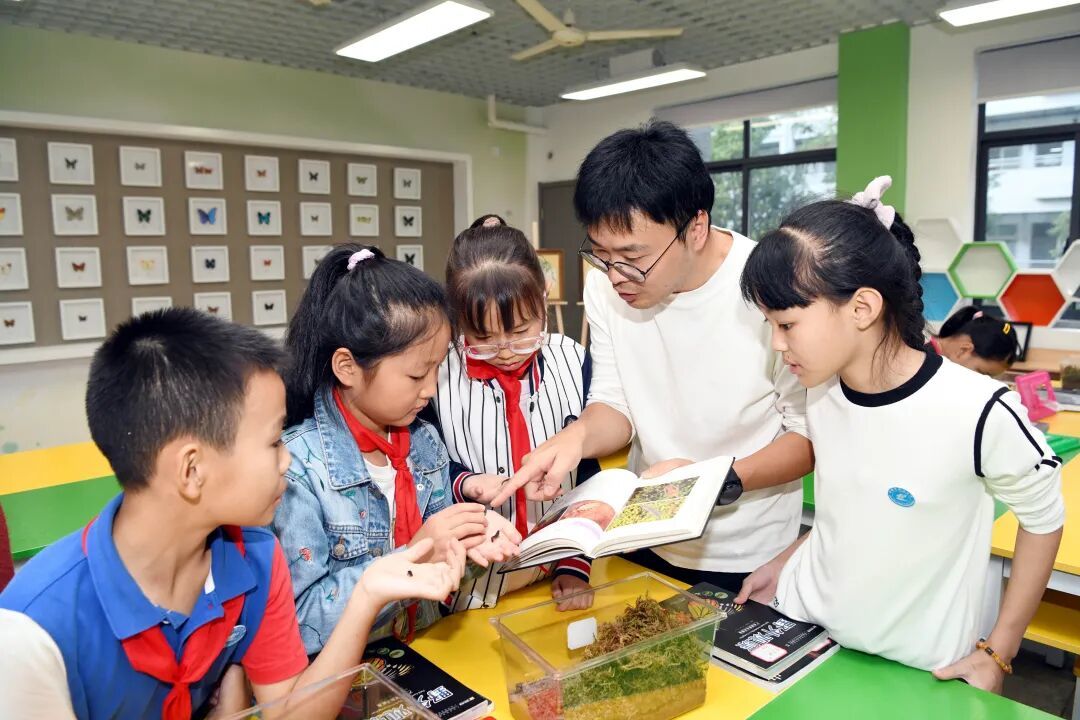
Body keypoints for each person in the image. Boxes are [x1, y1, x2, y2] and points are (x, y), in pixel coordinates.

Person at [0, 308, 466, 719]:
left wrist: (366, 594)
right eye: (272, 441)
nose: (287, 459)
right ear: (192, 469)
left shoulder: (255, 559)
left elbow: (288, 713)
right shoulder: (33, 629)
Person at [735, 177, 1064, 693]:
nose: (777, 345)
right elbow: (852, 509)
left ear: (863, 308)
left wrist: (999, 651)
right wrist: (785, 561)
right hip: (808, 642)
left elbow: (1044, 520)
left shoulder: (979, 410)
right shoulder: (820, 392)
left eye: (788, 324)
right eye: (769, 325)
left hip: (917, 668)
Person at [493, 120, 814, 592]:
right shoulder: (607, 285)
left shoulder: (767, 286)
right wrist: (576, 438)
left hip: (749, 549)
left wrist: (710, 482)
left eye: (632, 256)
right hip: (643, 535)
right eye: (601, 254)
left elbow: (806, 438)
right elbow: (616, 404)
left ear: (696, 227)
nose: (616, 273)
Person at [273, 245, 520, 654]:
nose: (431, 388)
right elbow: (299, 622)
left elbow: (442, 563)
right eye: (416, 374)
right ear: (347, 367)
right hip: (343, 680)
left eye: (439, 367)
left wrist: (468, 545)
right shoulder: (297, 470)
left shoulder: (422, 443)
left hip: (427, 652)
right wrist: (415, 557)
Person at [426, 217, 599, 611]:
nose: (504, 350)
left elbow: (588, 472)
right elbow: (424, 473)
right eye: (483, 338)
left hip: (560, 568)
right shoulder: (439, 375)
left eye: (521, 330)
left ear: (544, 294)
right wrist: (466, 483)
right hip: (470, 587)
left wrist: (574, 564)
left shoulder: (572, 360)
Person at [927, 305, 1020, 377]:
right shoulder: (924, 364)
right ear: (963, 350)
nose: (986, 382)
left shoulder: (938, 361)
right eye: (982, 373)